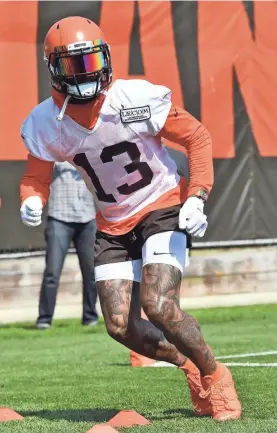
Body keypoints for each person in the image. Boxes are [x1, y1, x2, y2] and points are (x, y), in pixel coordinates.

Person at [19, 16, 241, 421]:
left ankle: (216, 375)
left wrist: (197, 196)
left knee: (158, 305)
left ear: (105, 58)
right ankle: (191, 367)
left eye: (90, 62)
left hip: (161, 204)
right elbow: (36, 176)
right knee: (120, 326)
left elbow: (197, 137)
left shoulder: (133, 97)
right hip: (112, 223)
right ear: (54, 68)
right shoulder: (45, 123)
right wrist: (32, 198)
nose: (85, 74)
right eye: (74, 66)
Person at [34, 161, 98, 329]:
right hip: (59, 218)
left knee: (91, 272)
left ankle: (90, 316)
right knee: (52, 272)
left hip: (87, 218)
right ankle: (44, 319)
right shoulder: (57, 156)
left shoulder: (86, 153)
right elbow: (49, 159)